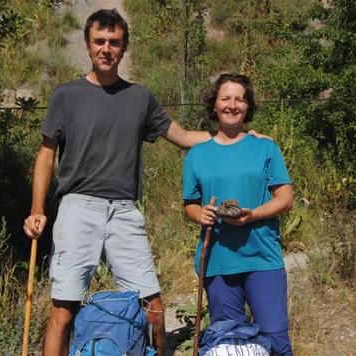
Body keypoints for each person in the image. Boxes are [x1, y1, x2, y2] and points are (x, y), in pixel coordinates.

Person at [23, 9, 265, 356]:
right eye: (100, 42)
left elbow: (181, 137)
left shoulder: (140, 97)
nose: (107, 49)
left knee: (152, 308)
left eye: (115, 43)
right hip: (77, 207)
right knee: (64, 309)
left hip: (124, 211)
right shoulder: (66, 94)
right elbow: (46, 154)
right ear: (88, 45)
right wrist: (36, 210)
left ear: (124, 47)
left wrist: (233, 136)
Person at [183, 74, 294, 356]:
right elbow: (190, 204)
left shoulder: (265, 147)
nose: (232, 105)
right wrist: (202, 215)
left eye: (240, 99)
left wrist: (252, 214)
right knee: (230, 344)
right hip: (219, 262)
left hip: (262, 258)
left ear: (248, 106)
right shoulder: (197, 154)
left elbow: (285, 199)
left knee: (275, 340)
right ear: (214, 105)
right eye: (225, 98)